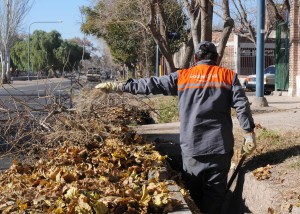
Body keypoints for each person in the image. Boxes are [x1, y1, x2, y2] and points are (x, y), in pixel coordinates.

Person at [95, 41, 256, 214]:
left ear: (195, 58)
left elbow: (151, 84)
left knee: (193, 194)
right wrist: (248, 133)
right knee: (215, 197)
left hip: (192, 149)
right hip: (220, 148)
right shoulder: (228, 76)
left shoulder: (183, 77)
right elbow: (242, 104)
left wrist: (120, 86)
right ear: (217, 58)